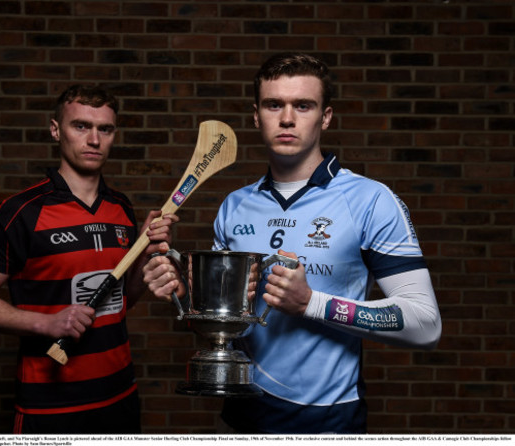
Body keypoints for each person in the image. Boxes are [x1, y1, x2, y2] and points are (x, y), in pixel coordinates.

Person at [143, 53, 442, 434]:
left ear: (326, 116)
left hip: (329, 420)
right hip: (243, 415)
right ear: (256, 116)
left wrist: (311, 303)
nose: (287, 118)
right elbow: (230, 329)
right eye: (274, 105)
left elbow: (425, 324)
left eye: (303, 105)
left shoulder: (370, 200)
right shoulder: (235, 206)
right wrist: (186, 293)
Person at [0, 85, 178, 434]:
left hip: (120, 398)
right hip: (49, 407)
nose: (94, 139)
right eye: (80, 126)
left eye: (104, 129)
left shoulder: (121, 209)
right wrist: (45, 324)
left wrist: (143, 250)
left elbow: (119, 301)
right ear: (56, 129)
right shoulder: (21, 212)